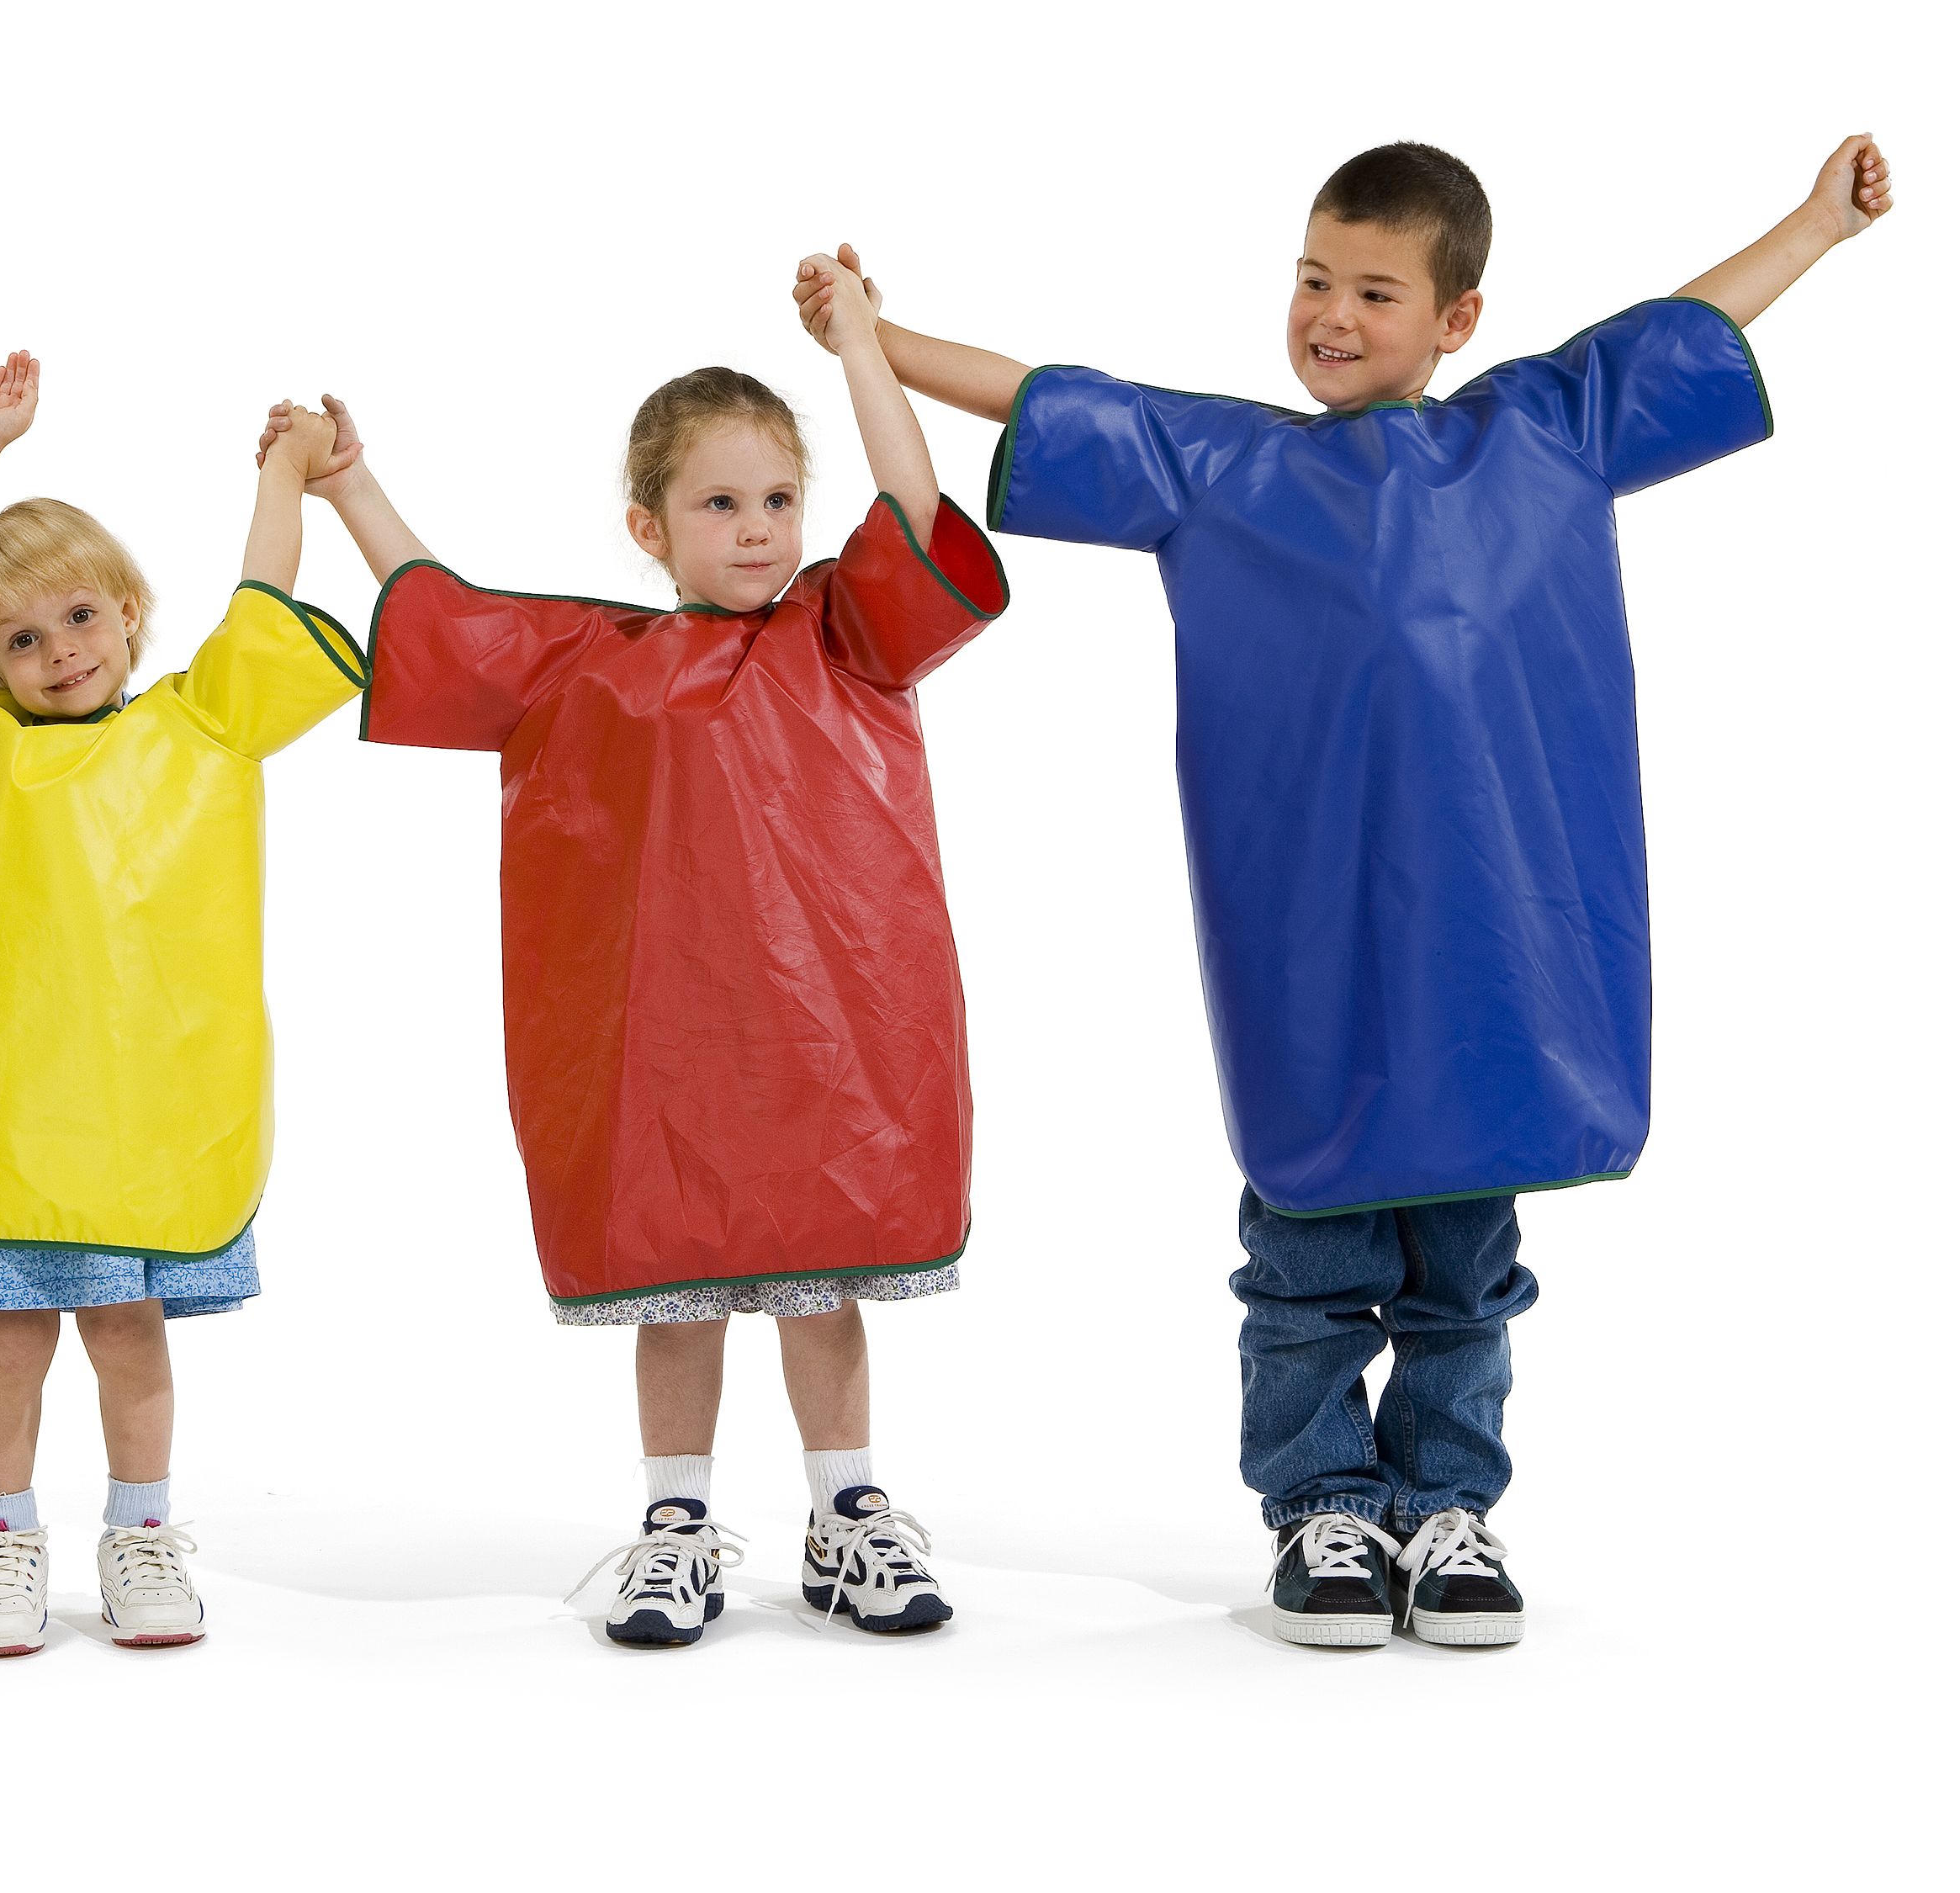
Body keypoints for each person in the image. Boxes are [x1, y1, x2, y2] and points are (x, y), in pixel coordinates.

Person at [802, 134, 1894, 1646]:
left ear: (1458, 318)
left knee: (1467, 1261)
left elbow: (1685, 329)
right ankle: (1324, 1504)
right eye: (1313, 277)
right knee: (1308, 1244)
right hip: (1312, 935)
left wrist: (1818, 226)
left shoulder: (1544, 433)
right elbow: (1054, 394)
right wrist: (874, 338)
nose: (1330, 312)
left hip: (1499, 945)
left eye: (1376, 290)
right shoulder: (1232, 467)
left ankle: (1448, 1508)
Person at [263, 252, 1005, 1646]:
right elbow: (444, 608)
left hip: (831, 1043)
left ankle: (849, 1514)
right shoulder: (585, 663)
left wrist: (861, 348)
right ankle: (676, 1522)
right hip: (672, 1052)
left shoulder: (851, 632)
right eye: (719, 503)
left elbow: (916, 512)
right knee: (682, 1278)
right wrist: (348, 478)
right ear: (648, 527)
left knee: (825, 1274)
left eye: (779, 499)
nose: (757, 528)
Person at [0, 354, 366, 1656]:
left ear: (130, 612)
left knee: (129, 1335)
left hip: (140, 1123)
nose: (57, 651)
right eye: (18, 639)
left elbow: (266, 594)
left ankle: (142, 1528)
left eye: (78, 617)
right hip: (0, 1125)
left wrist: (286, 473)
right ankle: (3, 1536)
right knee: (8, 1337)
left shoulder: (206, 727)